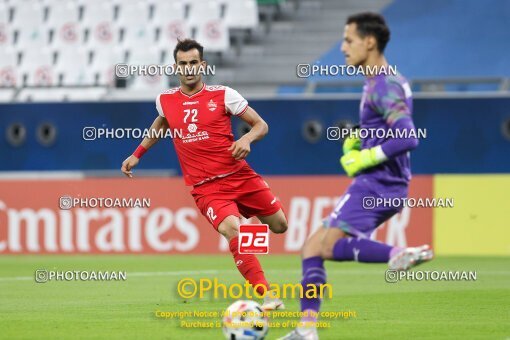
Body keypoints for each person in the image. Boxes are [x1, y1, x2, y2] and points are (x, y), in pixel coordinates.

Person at [279, 12, 433, 340]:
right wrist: (361, 137)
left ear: (370, 41)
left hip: (378, 183)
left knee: (329, 247)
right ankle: (305, 330)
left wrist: (366, 156)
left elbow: (408, 137)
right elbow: (387, 127)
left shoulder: (384, 85)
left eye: (348, 40)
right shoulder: (381, 81)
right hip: (384, 182)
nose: (342, 47)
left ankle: (396, 254)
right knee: (310, 248)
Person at [121, 39, 288, 310]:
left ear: (203, 65)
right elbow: (161, 124)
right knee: (232, 229)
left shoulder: (223, 95)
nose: (188, 68)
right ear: (176, 67)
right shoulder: (165, 100)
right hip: (206, 188)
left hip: (239, 176)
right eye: (183, 64)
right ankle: (267, 295)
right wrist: (137, 154)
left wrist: (246, 140)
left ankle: (247, 213)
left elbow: (261, 125)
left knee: (280, 226)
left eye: (193, 63)